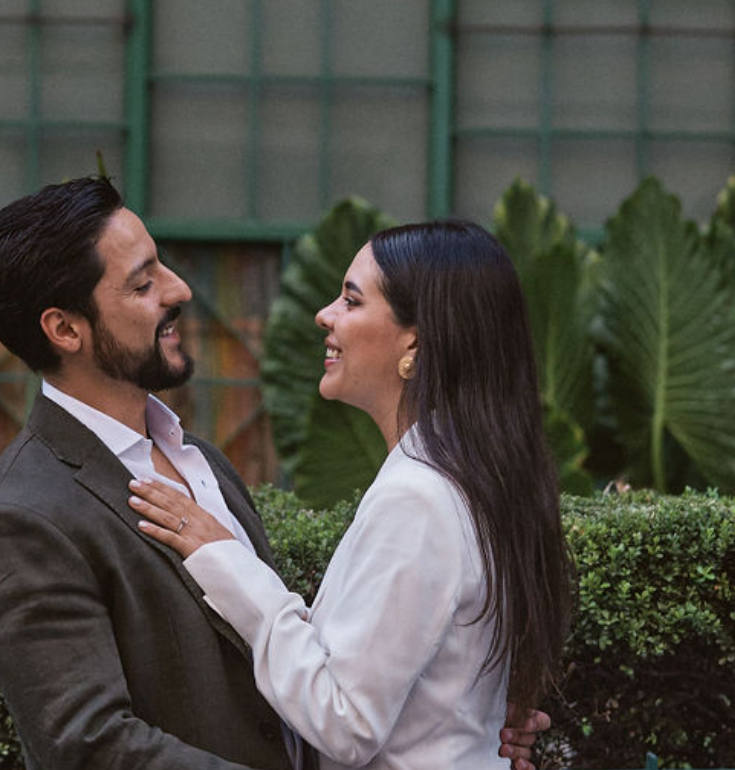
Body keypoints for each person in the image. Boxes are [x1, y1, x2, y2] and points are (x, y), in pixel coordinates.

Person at [0, 177, 551, 770]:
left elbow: (314, 670)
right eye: (143, 283)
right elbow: (90, 747)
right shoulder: (20, 519)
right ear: (65, 329)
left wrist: (457, 711)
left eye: (163, 266)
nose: (180, 289)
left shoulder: (203, 463)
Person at [132, 218, 574, 770]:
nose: (325, 314)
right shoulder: (475, 475)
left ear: (416, 340)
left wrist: (224, 562)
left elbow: (345, 722)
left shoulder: (419, 497)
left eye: (351, 300)